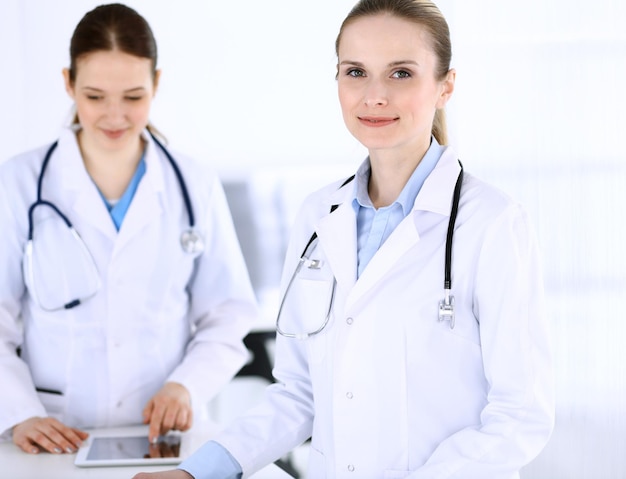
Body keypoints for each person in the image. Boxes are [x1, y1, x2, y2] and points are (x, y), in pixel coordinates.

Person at [134, 0, 555, 477]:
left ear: (445, 86)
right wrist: (198, 471)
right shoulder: (319, 215)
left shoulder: (493, 223)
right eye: (356, 72)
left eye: (401, 74)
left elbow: (519, 416)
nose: (374, 96)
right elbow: (298, 391)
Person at [0, 3, 257, 456]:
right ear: (68, 83)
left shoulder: (193, 184)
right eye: (95, 96)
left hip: (162, 438)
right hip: (53, 435)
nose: (114, 115)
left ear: (157, 83)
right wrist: (18, 412)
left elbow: (228, 313)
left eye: (134, 96)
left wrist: (186, 386)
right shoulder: (19, 182)